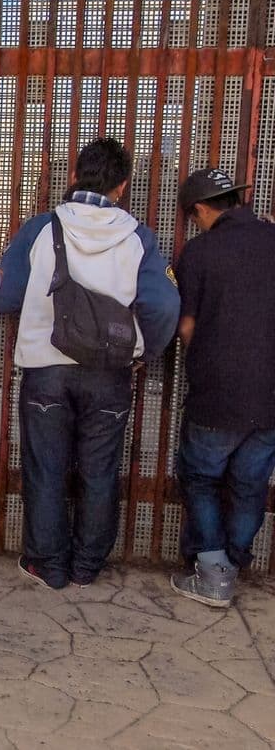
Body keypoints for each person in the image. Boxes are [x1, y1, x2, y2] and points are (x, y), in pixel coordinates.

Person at [0, 138, 179, 590]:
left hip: (46, 371)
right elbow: (165, 307)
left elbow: (3, 297)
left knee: (46, 469)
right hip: (109, 374)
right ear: (123, 186)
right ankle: (86, 567)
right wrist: (143, 353)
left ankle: (48, 566)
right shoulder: (139, 237)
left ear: (74, 176)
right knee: (99, 471)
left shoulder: (39, 229)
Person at [169, 168, 275, 608]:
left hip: (217, 392)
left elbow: (187, 327)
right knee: (251, 484)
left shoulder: (198, 252)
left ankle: (215, 575)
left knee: (201, 478)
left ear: (199, 210)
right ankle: (231, 561)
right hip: (271, 396)